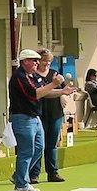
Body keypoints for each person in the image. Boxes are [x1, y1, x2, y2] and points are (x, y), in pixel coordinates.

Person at [8, 49, 74, 191]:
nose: (37, 63)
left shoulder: (32, 76)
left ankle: (19, 176)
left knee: (39, 148)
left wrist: (62, 92)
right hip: (23, 118)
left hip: (34, 117)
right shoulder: (19, 77)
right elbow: (35, 94)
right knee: (26, 151)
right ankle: (21, 184)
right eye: (34, 60)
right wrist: (54, 83)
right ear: (25, 61)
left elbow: (45, 92)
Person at [35, 47, 68, 183]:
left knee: (52, 144)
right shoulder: (34, 76)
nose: (47, 64)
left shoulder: (55, 74)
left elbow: (63, 88)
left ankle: (53, 172)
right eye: (44, 61)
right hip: (40, 113)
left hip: (55, 113)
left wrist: (62, 95)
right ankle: (34, 174)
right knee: (38, 145)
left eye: (49, 62)